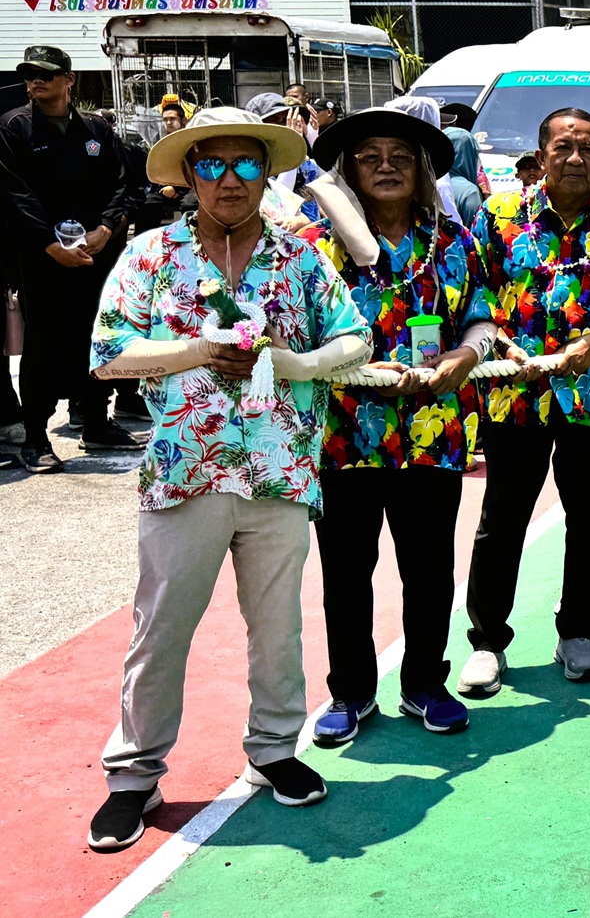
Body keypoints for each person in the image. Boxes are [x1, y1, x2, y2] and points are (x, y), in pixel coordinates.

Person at [84, 108, 371, 850]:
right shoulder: (149, 255)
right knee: (161, 628)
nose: (231, 181)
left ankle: (276, 749)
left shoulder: (300, 256)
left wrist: (299, 361)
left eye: (247, 165)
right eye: (212, 166)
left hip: (279, 469)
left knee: (277, 628)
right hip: (186, 473)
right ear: (188, 176)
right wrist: (196, 350)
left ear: (267, 174)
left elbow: (354, 335)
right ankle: (134, 775)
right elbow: (108, 354)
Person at [298, 106, 493, 745]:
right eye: (369, 156)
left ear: (423, 171)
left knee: (430, 568)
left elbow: (481, 319)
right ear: (348, 170)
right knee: (346, 572)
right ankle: (351, 693)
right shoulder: (312, 247)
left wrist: (465, 356)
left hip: (432, 429)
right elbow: (293, 332)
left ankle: (424, 684)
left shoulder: (454, 241)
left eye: (400, 156)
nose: (385, 166)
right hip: (343, 433)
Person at [459, 108, 590, 693]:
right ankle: (487, 641)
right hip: (514, 395)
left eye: (588, 149)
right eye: (563, 147)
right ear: (541, 153)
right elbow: (472, 296)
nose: (575, 158)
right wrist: (502, 342)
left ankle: (577, 631)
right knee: (501, 520)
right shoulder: (500, 216)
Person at [0, 45, 143, 469]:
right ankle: (35, 437)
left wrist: (104, 229)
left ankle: (96, 422)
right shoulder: (13, 128)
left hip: (95, 255)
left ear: (69, 78)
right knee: (43, 344)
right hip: (41, 259)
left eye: (45, 73)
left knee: (99, 337)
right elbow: (14, 194)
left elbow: (123, 182)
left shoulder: (96, 128)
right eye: (29, 74)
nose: (35, 81)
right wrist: (49, 245)